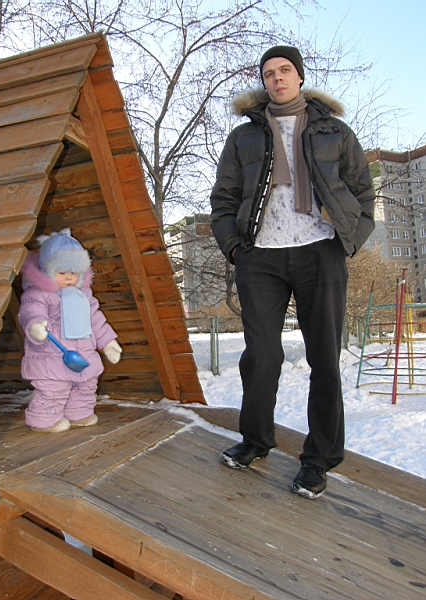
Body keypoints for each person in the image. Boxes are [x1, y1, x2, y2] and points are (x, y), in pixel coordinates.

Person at [210, 46, 375, 498]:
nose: (277, 78)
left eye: (285, 70)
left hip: (319, 252)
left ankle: (319, 459)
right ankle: (255, 440)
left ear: (299, 77)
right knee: (261, 355)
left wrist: (347, 241)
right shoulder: (243, 137)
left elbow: (363, 194)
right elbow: (223, 200)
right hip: (260, 256)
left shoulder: (335, 132)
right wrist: (236, 248)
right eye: (269, 73)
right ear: (263, 82)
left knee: (324, 358)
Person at [18, 228, 122, 433]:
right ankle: (44, 420)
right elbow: (30, 310)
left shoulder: (84, 295)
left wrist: (109, 342)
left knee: (86, 386)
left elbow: (96, 320)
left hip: (83, 353)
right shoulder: (39, 293)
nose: (68, 278)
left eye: (73, 273)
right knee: (54, 389)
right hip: (53, 354)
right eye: (62, 272)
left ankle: (79, 414)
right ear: (48, 271)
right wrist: (35, 325)